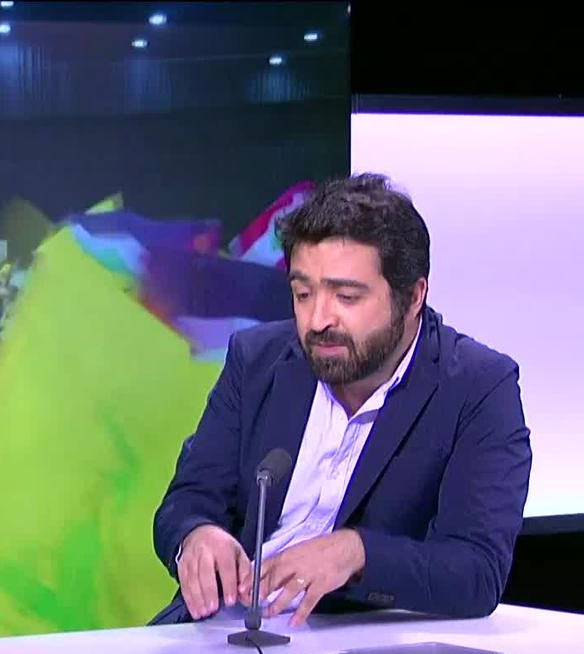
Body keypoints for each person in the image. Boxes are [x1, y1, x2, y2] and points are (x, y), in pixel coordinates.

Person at [153, 174, 531, 627]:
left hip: (357, 649)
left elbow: (477, 573)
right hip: (219, 635)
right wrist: (196, 536)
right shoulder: (256, 360)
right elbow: (188, 500)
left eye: (347, 297)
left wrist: (357, 553)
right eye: (302, 294)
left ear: (413, 297)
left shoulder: (477, 387)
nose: (317, 320)